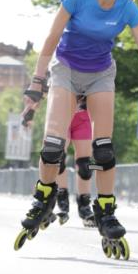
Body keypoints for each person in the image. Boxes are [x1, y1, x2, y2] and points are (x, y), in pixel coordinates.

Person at [15, 0, 138, 259]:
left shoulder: (127, 8)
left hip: (100, 73)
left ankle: (105, 210)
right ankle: (43, 197)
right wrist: (37, 80)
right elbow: (51, 38)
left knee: (103, 149)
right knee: (53, 145)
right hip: (66, 69)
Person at [51, 95, 97, 227]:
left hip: (83, 115)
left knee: (85, 165)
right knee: (59, 158)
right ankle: (62, 203)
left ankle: (84, 208)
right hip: (61, 113)